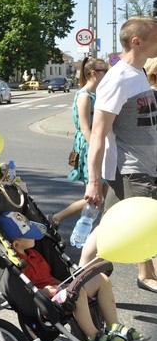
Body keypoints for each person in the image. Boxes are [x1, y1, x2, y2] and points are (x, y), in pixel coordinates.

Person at [0, 211, 144, 341]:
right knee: (76, 293)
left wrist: (63, 284)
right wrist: (46, 291)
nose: (34, 237)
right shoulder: (16, 267)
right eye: (29, 235)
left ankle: (114, 326)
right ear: (16, 244)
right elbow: (27, 291)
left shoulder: (34, 254)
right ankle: (94, 337)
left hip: (59, 290)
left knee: (101, 279)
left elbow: (48, 276)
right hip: (45, 301)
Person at [83, 17, 157, 293]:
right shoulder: (117, 79)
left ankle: (80, 280)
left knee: (113, 231)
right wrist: (93, 182)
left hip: (145, 167)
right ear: (137, 41)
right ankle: (78, 285)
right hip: (130, 170)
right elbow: (99, 135)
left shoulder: (138, 73)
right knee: (114, 234)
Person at [50, 57, 109, 226]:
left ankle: (96, 231)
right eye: (104, 71)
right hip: (88, 145)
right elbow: (85, 128)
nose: (107, 74)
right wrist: (97, 150)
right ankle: (57, 217)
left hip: (96, 143)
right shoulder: (84, 95)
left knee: (100, 196)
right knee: (94, 196)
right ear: (92, 73)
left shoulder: (96, 93)